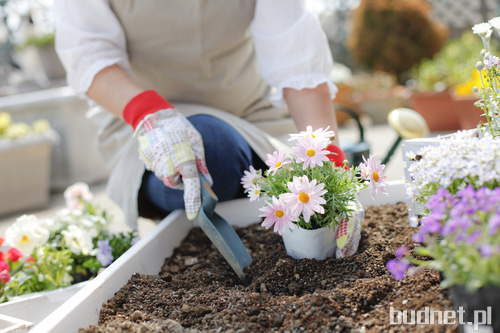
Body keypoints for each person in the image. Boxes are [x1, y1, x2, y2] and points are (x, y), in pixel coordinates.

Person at [52, 0, 346, 229]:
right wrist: (150, 115)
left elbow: (295, 58)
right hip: (147, 123)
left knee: (223, 152)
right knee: (212, 150)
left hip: (249, 117)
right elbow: (89, 54)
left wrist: (329, 160)